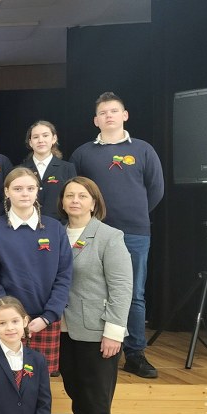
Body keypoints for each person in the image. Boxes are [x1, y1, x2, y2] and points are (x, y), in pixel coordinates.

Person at [70, 91, 165, 379]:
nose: (108, 116)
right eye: (103, 112)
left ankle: (135, 354)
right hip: (93, 233)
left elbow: (156, 190)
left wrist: (134, 214)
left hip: (135, 232)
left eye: (114, 111)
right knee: (88, 289)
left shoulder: (144, 150)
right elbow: (75, 190)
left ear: (124, 115)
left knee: (133, 294)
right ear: (95, 120)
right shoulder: (83, 153)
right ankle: (88, 345)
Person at [58, 177, 132, 414]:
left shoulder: (109, 236)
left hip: (98, 331)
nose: (75, 200)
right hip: (63, 328)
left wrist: (114, 332)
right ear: (62, 202)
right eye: (69, 195)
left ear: (94, 202)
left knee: (96, 399)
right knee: (77, 393)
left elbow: (122, 288)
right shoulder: (54, 233)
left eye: (82, 195)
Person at [0, 167, 72, 372]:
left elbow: (64, 276)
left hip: (44, 321)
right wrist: (9, 319)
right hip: (7, 324)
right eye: (18, 188)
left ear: (37, 191)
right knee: (3, 381)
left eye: (30, 188)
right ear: (7, 192)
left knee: (40, 384)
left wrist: (48, 316)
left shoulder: (55, 228)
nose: (25, 194)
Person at [20, 121, 76, 221]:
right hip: (27, 224)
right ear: (30, 142)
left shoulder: (67, 168)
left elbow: (73, 198)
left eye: (45, 135)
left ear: (54, 139)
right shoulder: (20, 171)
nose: (40, 140)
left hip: (59, 225)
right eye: (36, 137)